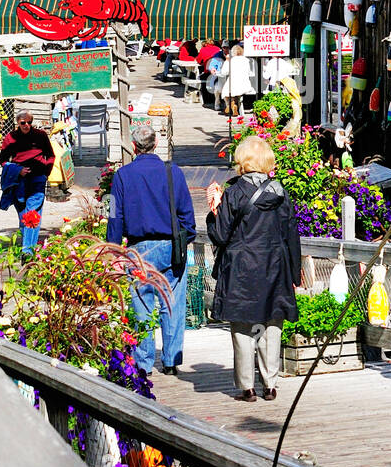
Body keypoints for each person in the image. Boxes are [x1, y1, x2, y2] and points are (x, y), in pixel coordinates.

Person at [206, 135, 300, 402]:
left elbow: (221, 235)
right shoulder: (280, 192)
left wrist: (213, 213)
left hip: (242, 269)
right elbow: (291, 235)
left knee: (243, 328)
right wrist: (294, 273)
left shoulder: (234, 192)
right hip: (275, 268)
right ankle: (270, 383)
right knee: (272, 326)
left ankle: (247, 387)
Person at [106, 122, 196, 376]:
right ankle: (171, 361)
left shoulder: (122, 176)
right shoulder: (173, 172)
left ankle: (144, 363)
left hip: (138, 249)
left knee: (142, 306)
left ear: (134, 147)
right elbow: (186, 213)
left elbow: (114, 216)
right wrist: (184, 239)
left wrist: (113, 251)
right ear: (156, 144)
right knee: (173, 304)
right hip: (170, 246)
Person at [0, 110, 55, 259]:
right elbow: (3, 160)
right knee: (24, 216)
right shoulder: (11, 138)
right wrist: (17, 170)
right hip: (19, 181)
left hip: (37, 178)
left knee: (33, 214)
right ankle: (28, 245)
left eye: (29, 122)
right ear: (18, 123)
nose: (26, 125)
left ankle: (27, 250)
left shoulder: (41, 136)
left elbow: (50, 155)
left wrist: (45, 174)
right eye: (23, 123)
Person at [218, 44, 257, 118]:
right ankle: (233, 104)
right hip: (245, 84)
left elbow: (223, 72)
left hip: (233, 84)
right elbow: (249, 73)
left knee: (226, 91)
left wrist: (226, 61)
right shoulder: (246, 60)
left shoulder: (231, 61)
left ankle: (230, 105)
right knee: (234, 91)